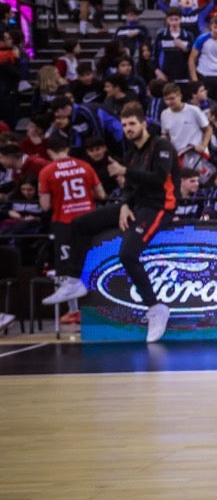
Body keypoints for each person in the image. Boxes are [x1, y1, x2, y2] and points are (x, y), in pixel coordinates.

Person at [44, 102, 179, 342]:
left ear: (143, 123)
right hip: (137, 204)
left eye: (132, 124)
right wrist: (125, 203)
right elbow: (129, 187)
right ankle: (74, 280)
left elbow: (158, 179)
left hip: (160, 206)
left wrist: (125, 172)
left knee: (127, 254)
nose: (128, 128)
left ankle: (156, 307)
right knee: (79, 224)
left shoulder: (162, 146)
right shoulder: (131, 153)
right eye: (124, 125)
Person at [36, 131, 104, 287]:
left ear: (49, 152)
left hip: (64, 224)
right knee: (91, 263)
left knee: (67, 269)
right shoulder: (85, 166)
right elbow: (101, 194)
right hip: (89, 221)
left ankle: (73, 310)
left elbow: (45, 205)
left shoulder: (46, 172)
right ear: (68, 149)